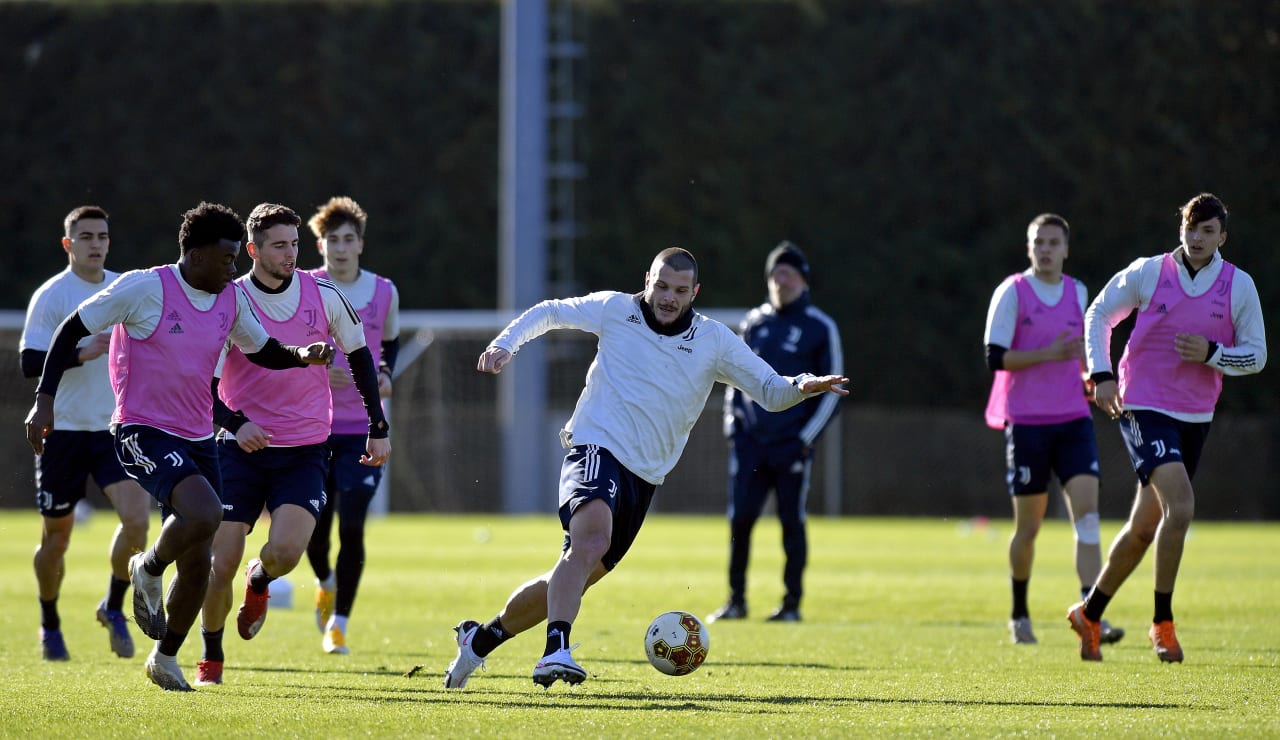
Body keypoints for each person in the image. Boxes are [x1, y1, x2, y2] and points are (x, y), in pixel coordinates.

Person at [442, 247, 849, 690]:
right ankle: (555, 649)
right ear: (647, 280)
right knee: (591, 540)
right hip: (594, 444)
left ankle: (479, 640)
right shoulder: (617, 309)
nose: (668, 298)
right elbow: (552, 311)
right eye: (661, 286)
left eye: (679, 290)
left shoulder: (714, 340)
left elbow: (770, 390)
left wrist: (802, 386)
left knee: (577, 569)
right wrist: (505, 343)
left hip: (645, 476)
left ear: (694, 292)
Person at [24, 201, 335, 691]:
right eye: (227, 259)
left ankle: (165, 658)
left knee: (198, 564)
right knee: (207, 514)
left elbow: (263, 349)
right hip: (140, 430)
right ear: (195, 254)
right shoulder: (146, 287)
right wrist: (43, 404)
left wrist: (301, 355)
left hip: (197, 439)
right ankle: (146, 567)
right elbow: (71, 330)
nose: (233, 269)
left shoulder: (230, 301)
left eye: (237, 259)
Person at [196, 203, 391, 686]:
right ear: (253, 250)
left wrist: (378, 426)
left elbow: (362, 357)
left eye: (294, 244)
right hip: (238, 449)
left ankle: (260, 581)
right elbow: (203, 379)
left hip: (304, 449)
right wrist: (234, 422)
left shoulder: (322, 294)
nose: (290, 254)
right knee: (220, 563)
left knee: (284, 553)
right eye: (279, 245)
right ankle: (211, 658)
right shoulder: (231, 300)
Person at [1067, 193, 1266, 662]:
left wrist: (1214, 354)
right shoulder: (1149, 272)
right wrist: (1102, 376)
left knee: (1143, 528)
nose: (1197, 238)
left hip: (1195, 415)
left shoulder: (1238, 287)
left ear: (1222, 237)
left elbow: (1257, 355)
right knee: (1182, 506)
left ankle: (1090, 614)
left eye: (1207, 231)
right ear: (1180, 229)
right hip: (1141, 404)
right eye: (1190, 228)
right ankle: (1162, 622)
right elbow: (1098, 315)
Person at [982, 214, 1123, 646]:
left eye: (1053, 242)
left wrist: (1090, 374)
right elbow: (995, 357)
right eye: (1038, 242)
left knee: (1089, 519)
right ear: (1029, 248)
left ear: (1066, 248)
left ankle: (1090, 613)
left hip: (1073, 420)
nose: (1045, 249)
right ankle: (1019, 613)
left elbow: (1080, 355)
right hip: (1027, 424)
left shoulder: (1079, 292)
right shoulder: (1012, 292)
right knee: (1029, 529)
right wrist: (1047, 354)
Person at [20, 206, 151, 661]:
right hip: (64, 433)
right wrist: (80, 352)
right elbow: (28, 364)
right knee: (56, 538)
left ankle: (113, 607)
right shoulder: (52, 296)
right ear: (68, 244)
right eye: (86, 236)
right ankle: (49, 622)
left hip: (113, 429)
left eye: (102, 236)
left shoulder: (124, 288)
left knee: (137, 521)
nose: (95, 243)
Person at [708, 241, 843, 624]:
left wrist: (805, 439)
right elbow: (734, 376)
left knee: (791, 521)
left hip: (791, 446)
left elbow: (833, 393)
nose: (780, 280)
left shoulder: (820, 326)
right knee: (741, 520)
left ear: (803, 279)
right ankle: (736, 600)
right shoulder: (754, 322)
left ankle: (792, 604)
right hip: (751, 442)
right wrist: (734, 425)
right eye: (774, 272)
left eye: (788, 272)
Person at [302, 196, 401, 657]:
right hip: (310, 426)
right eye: (331, 240)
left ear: (360, 244)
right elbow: (283, 348)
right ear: (319, 245)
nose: (340, 248)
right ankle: (324, 582)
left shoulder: (384, 291)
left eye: (348, 240)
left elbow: (390, 342)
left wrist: (383, 372)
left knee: (354, 525)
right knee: (314, 529)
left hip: (364, 428)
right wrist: (317, 370)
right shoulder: (304, 288)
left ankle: (338, 624)